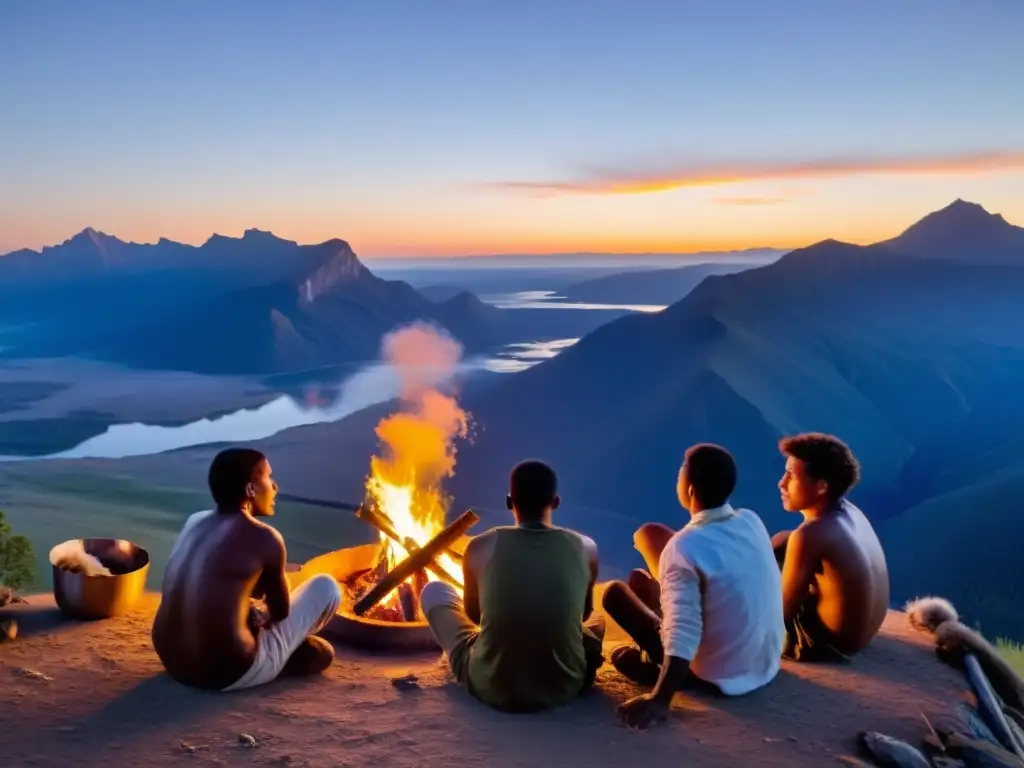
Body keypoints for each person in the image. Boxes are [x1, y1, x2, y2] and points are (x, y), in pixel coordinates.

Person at [602, 443, 784, 730]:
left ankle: (661, 673)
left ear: (689, 490)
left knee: (615, 594)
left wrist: (660, 700)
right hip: (763, 664)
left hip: (715, 675)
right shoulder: (750, 520)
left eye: (679, 476)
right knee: (644, 583)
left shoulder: (684, 546)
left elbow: (683, 631)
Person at [419, 460, 605, 713]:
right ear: (555, 501)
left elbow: (475, 616)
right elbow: (582, 615)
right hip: (565, 686)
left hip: (490, 685)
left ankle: (484, 661)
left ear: (509, 502)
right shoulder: (587, 547)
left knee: (434, 591)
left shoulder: (479, 546)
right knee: (597, 622)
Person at [152, 448, 342, 691]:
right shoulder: (266, 538)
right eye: (268, 478)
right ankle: (279, 657)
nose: (275, 487)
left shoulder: (194, 521)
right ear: (251, 489)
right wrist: (265, 614)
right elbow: (281, 611)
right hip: (227, 673)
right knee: (326, 587)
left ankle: (278, 649)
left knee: (276, 581)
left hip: (171, 660)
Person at [773, 432, 889, 662]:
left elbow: (778, 616)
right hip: (860, 635)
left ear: (821, 486)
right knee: (782, 541)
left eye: (790, 475)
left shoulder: (810, 534)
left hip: (825, 643)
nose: (781, 483)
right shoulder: (850, 512)